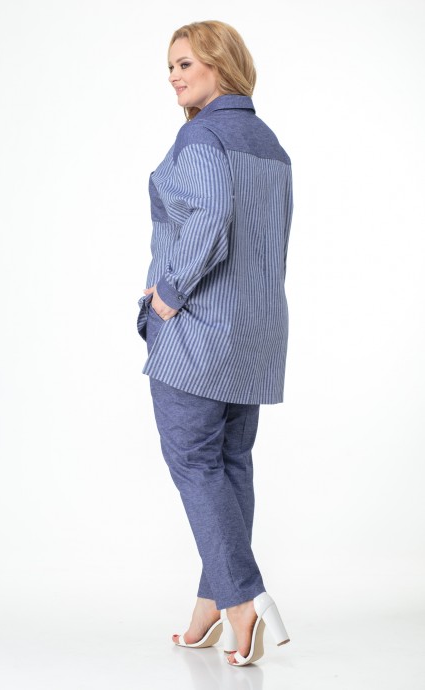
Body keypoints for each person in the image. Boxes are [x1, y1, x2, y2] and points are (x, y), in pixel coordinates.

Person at [136, 20, 293, 667]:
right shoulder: (271, 145)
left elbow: (211, 218)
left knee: (195, 463)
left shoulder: (201, 136)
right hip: (255, 336)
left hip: (198, 334)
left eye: (186, 64)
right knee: (229, 466)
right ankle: (212, 605)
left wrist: (167, 295)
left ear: (220, 65)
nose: (174, 77)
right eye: (170, 66)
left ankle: (242, 601)